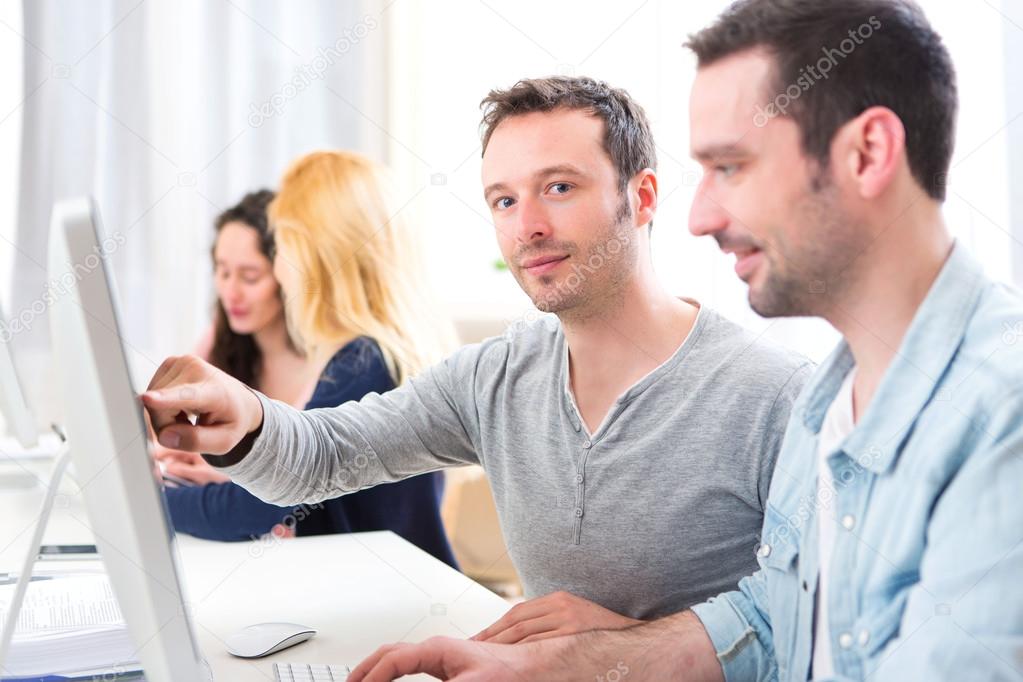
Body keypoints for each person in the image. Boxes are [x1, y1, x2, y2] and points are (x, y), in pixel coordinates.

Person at [342, 0, 1023, 679]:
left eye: (730, 167)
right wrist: (563, 663)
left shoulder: (998, 414)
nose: (699, 217)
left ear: (866, 154)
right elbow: (767, 623)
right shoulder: (829, 401)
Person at [144, 75, 813, 639]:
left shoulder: (771, 393)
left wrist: (639, 646)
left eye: (558, 187)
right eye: (503, 199)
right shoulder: (496, 376)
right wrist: (245, 416)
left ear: (639, 198)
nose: (527, 227)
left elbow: (810, 620)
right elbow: (327, 453)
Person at [160, 163, 457, 567]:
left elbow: (257, 508)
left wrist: (153, 499)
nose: (279, 269)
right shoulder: (369, 354)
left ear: (315, 259)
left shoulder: (362, 365)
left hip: (391, 600)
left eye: (280, 248)